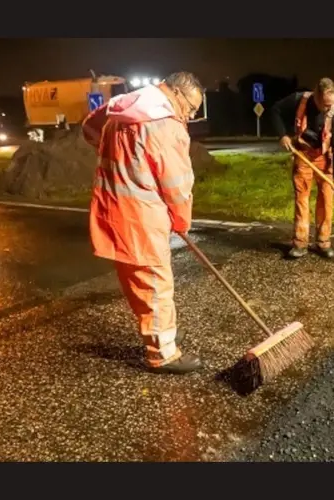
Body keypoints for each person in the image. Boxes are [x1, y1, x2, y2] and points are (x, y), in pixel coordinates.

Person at [81, 72, 205, 375]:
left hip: (112, 209)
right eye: (190, 108)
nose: (189, 115)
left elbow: (89, 128)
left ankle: (158, 336)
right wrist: (181, 221)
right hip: (142, 217)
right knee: (155, 283)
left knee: (138, 282)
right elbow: (176, 184)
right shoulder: (165, 125)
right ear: (175, 93)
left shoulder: (124, 106)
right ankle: (163, 353)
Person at [271, 78, 334, 259]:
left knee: (327, 200)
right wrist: (283, 135)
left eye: (333, 105)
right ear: (317, 97)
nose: (330, 108)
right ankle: (300, 243)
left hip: (324, 157)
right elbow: (275, 111)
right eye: (327, 105)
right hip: (303, 155)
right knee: (302, 198)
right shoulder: (299, 100)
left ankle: (323, 242)